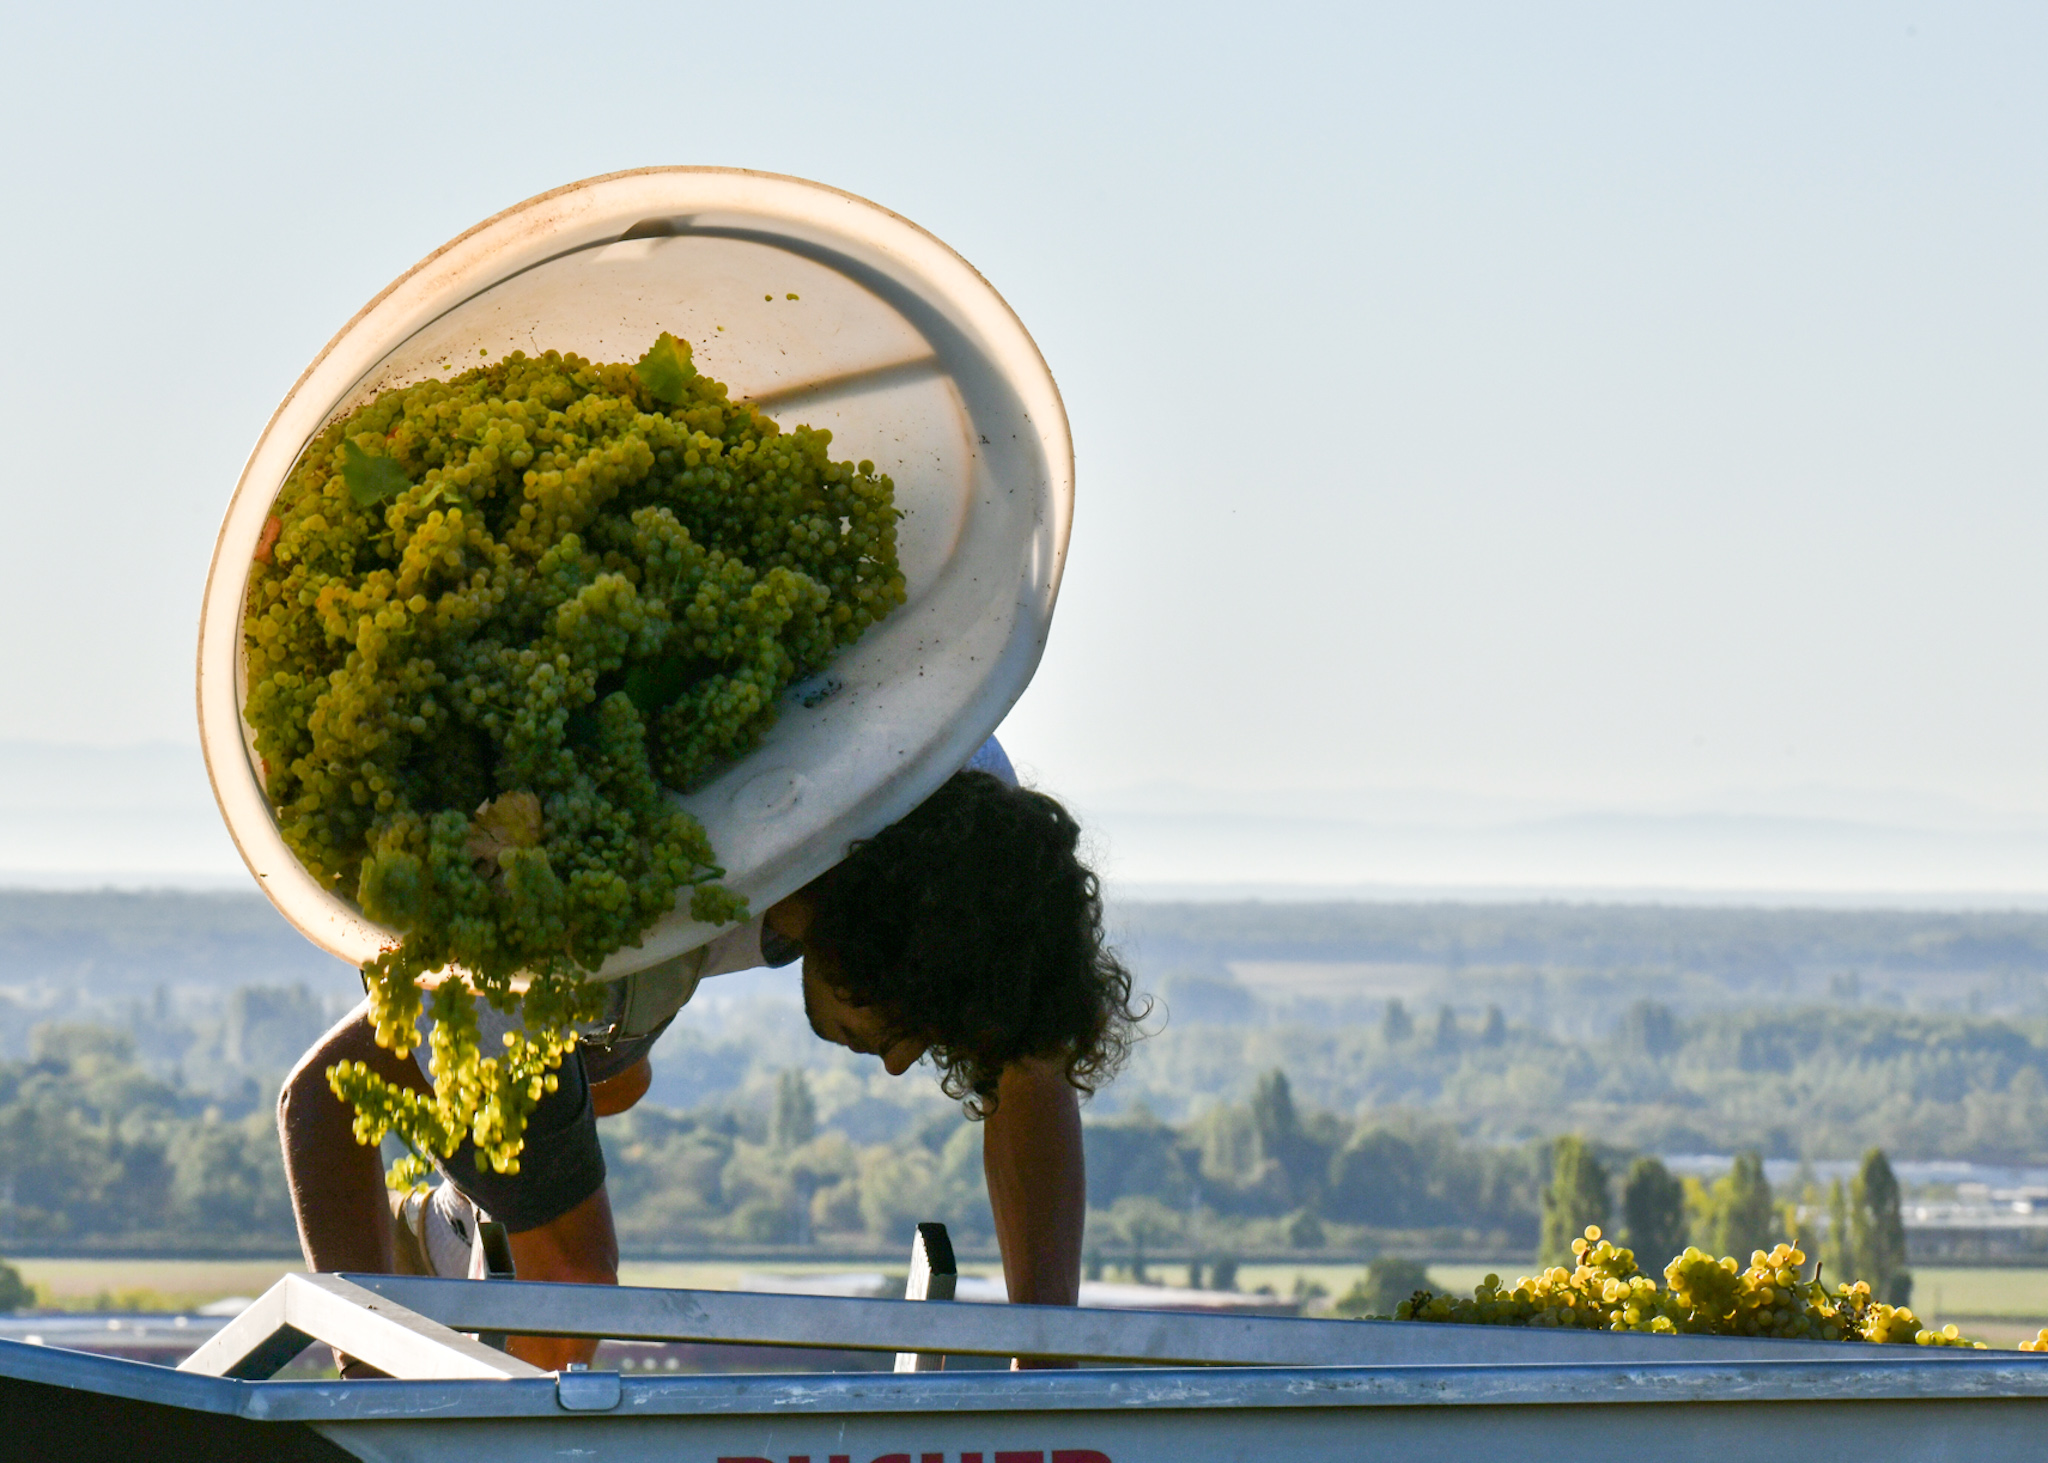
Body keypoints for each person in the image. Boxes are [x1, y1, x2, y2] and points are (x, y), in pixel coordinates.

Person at [276, 739, 1140, 1371]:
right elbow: (320, 1102)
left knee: (612, 1077)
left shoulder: (961, 795)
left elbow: (1032, 1067)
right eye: (906, 1029)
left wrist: (1043, 1378)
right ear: (872, 942)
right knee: (572, 1278)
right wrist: (367, 1411)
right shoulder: (583, 923)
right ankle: (444, 1228)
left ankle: (469, 1206)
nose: (894, 1065)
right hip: (527, 908)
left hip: (622, 966)